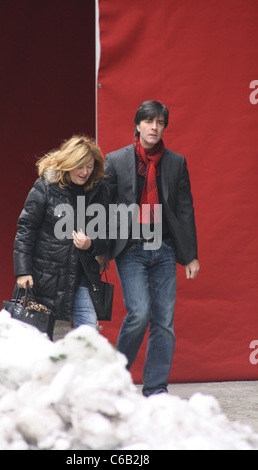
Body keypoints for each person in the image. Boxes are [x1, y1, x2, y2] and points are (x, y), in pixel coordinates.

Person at [104, 100, 200, 396]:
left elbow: (185, 210)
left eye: (159, 123)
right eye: (149, 121)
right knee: (140, 313)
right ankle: (114, 380)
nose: (154, 127)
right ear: (138, 124)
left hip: (164, 248)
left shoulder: (176, 162)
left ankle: (156, 389)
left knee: (164, 322)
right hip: (130, 249)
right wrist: (99, 249)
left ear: (164, 128)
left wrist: (190, 255)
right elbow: (104, 208)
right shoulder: (116, 160)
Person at [13, 135, 110, 339]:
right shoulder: (46, 187)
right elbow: (26, 229)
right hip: (46, 277)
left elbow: (108, 233)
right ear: (68, 163)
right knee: (36, 341)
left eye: (90, 167)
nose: (85, 172)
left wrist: (91, 244)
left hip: (83, 277)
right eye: (80, 166)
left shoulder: (99, 190)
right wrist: (22, 271)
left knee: (89, 339)